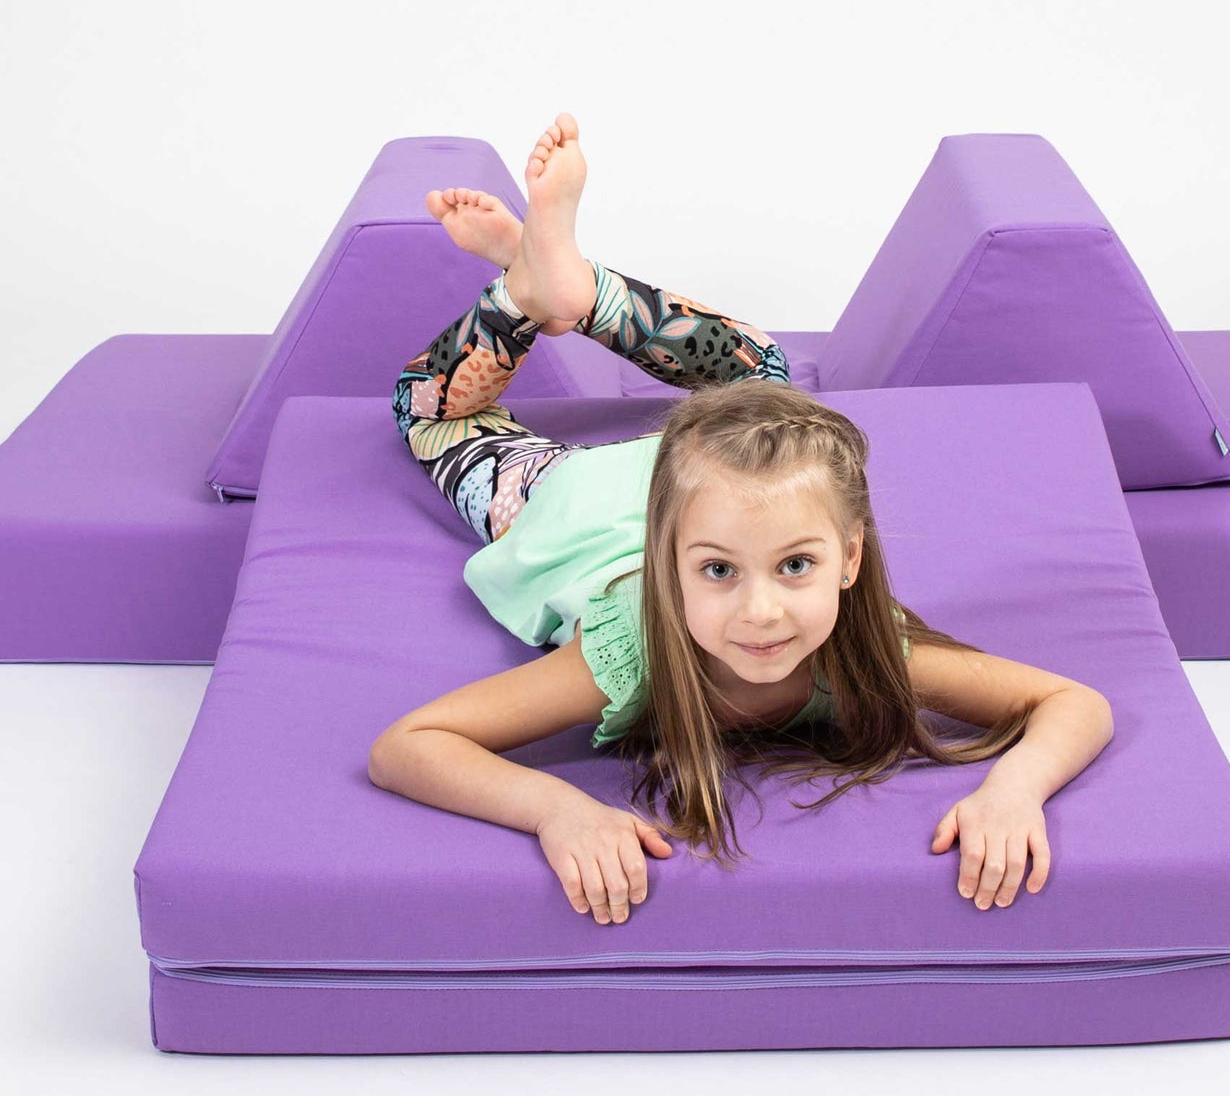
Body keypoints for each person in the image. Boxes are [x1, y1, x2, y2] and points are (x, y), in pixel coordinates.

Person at [370, 113, 1114, 928]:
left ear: (849, 556)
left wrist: (1013, 787)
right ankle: (533, 294)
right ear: (669, 566)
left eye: (795, 565)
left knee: (764, 382)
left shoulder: (865, 645)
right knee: (430, 417)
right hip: (566, 494)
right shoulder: (627, 654)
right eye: (718, 573)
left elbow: (1073, 703)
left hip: (708, 489)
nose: (761, 613)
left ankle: (564, 290)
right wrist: (555, 808)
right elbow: (408, 743)